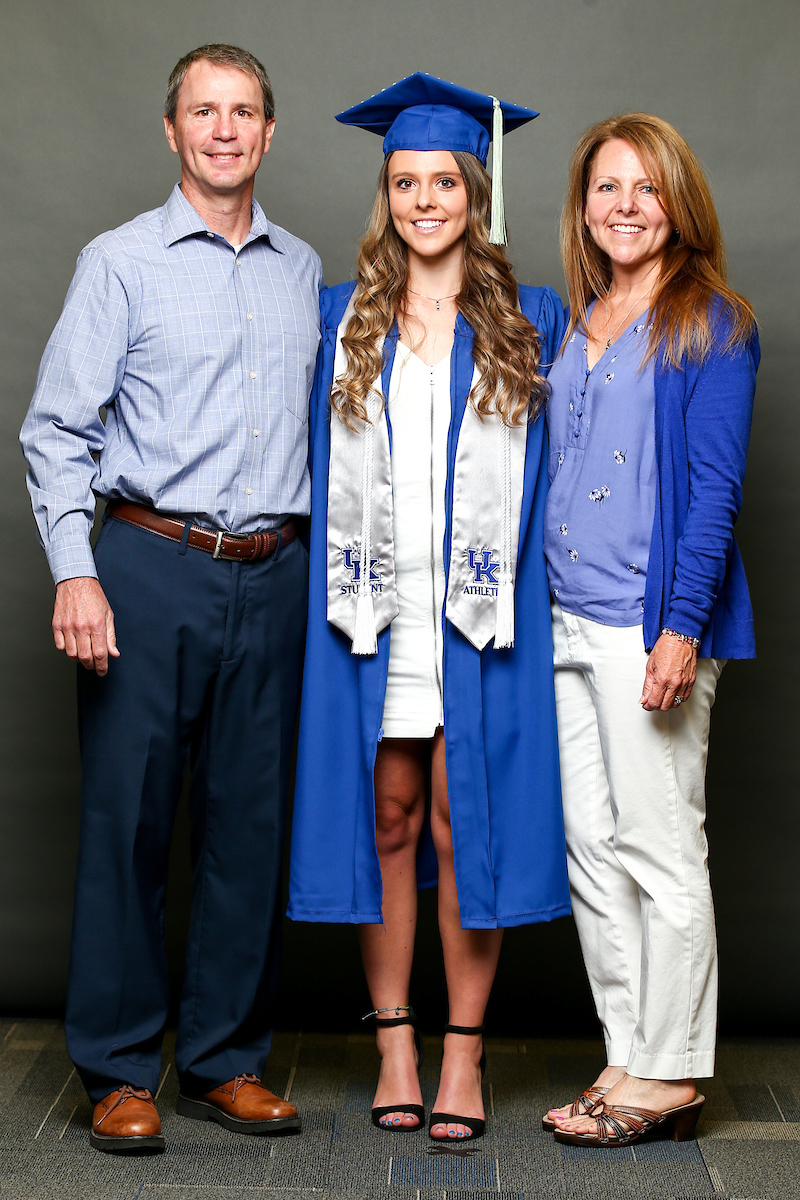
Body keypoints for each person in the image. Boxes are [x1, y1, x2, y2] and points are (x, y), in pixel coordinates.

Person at [20, 44, 321, 1153]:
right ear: (172, 130)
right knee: (128, 822)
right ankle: (114, 1070)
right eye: (206, 110)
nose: (226, 129)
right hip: (146, 565)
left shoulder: (302, 268)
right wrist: (75, 570)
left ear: (269, 133)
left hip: (274, 575)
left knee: (248, 828)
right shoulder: (119, 263)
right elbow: (57, 430)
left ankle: (224, 1060)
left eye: (245, 111)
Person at [287, 73, 570, 1142]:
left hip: (477, 619)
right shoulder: (338, 318)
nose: (422, 200)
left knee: (463, 822)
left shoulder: (530, 320)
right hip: (368, 617)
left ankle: (462, 1055)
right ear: (386, 196)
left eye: (442, 180)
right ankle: (393, 1041)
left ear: (474, 192)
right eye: (403, 182)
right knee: (387, 819)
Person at [541, 114, 758, 1147]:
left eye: (644, 187)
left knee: (660, 846)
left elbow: (713, 493)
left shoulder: (710, 321)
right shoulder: (575, 320)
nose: (622, 206)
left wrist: (681, 628)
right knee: (592, 846)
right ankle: (625, 1050)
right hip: (561, 618)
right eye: (604, 187)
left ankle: (669, 1074)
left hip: (644, 624)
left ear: (677, 202)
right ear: (581, 206)